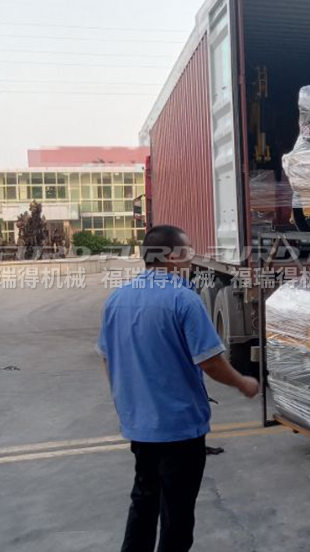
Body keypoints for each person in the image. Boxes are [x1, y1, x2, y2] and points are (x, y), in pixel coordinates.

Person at [97, 225, 259, 552]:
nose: (191, 258)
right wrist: (243, 382)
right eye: (188, 251)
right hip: (179, 428)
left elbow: (107, 357)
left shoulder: (117, 298)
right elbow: (210, 362)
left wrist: (126, 402)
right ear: (171, 256)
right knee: (177, 511)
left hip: (140, 426)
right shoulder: (183, 299)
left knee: (144, 500)